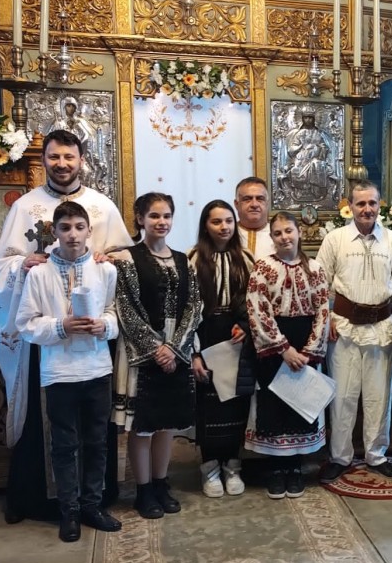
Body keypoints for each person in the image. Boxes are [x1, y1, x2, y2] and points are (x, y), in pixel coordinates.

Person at [0, 129, 132, 524]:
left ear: (81, 160)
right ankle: (47, 501)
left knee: (94, 431)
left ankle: (93, 501)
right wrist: (23, 263)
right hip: (49, 345)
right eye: (54, 157)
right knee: (55, 427)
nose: (62, 164)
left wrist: (110, 259)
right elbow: (0, 267)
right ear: (44, 160)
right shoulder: (25, 207)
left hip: (93, 343)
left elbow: (125, 259)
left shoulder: (101, 207)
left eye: (69, 157)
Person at [15, 201, 122, 542]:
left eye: (79, 227)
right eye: (65, 228)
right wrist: (61, 326)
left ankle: (92, 505)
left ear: (89, 231)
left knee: (97, 442)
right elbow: (26, 324)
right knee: (64, 444)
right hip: (59, 372)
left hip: (96, 368)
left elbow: (114, 313)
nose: (73, 234)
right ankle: (69, 511)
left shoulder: (105, 270)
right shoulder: (39, 274)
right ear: (55, 233)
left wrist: (104, 326)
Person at [113, 192, 203, 518]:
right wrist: (155, 348)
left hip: (175, 350)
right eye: (154, 216)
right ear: (140, 219)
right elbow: (125, 308)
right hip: (141, 351)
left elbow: (194, 306)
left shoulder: (183, 260)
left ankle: (161, 483)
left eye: (166, 216)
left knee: (166, 424)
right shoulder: (125, 259)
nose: (161, 222)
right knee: (143, 426)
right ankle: (144, 490)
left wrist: (175, 347)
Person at [316, 181, 392, 485]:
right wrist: (326, 318)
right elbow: (320, 282)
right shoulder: (335, 239)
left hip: (381, 326)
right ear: (350, 206)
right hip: (343, 326)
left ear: (380, 205)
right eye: (361, 203)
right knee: (343, 396)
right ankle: (340, 457)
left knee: (379, 397)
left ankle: (376, 455)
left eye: (372, 203)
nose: (367, 209)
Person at [245, 212, 331, 499]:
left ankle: (295, 468)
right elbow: (257, 310)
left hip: (306, 345)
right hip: (275, 347)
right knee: (274, 405)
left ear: (299, 233)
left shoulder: (315, 268)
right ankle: (276, 469)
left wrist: (309, 350)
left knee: (301, 404)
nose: (284, 237)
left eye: (289, 231)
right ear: (272, 237)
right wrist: (283, 348)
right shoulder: (263, 268)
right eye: (278, 233)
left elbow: (323, 310)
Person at [189, 200, 256, 498]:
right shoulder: (193, 259)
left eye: (229, 220)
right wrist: (194, 352)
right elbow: (188, 309)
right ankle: (209, 466)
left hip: (236, 337)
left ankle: (232, 464)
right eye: (216, 221)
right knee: (209, 406)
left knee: (236, 402)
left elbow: (255, 301)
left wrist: (246, 325)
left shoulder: (246, 258)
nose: (224, 227)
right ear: (206, 225)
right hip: (206, 335)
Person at [282, 112, 335, 203]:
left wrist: (316, 148)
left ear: (314, 119)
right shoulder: (299, 133)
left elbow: (324, 146)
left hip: (315, 157)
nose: (308, 120)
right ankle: (301, 192)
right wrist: (301, 147)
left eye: (310, 118)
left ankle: (316, 191)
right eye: (306, 118)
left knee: (316, 165)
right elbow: (292, 148)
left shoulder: (317, 133)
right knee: (297, 171)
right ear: (302, 119)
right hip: (301, 158)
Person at [234, 177, 275, 260]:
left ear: (267, 204)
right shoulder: (227, 235)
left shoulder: (279, 235)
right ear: (236, 204)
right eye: (247, 199)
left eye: (260, 199)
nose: (254, 204)